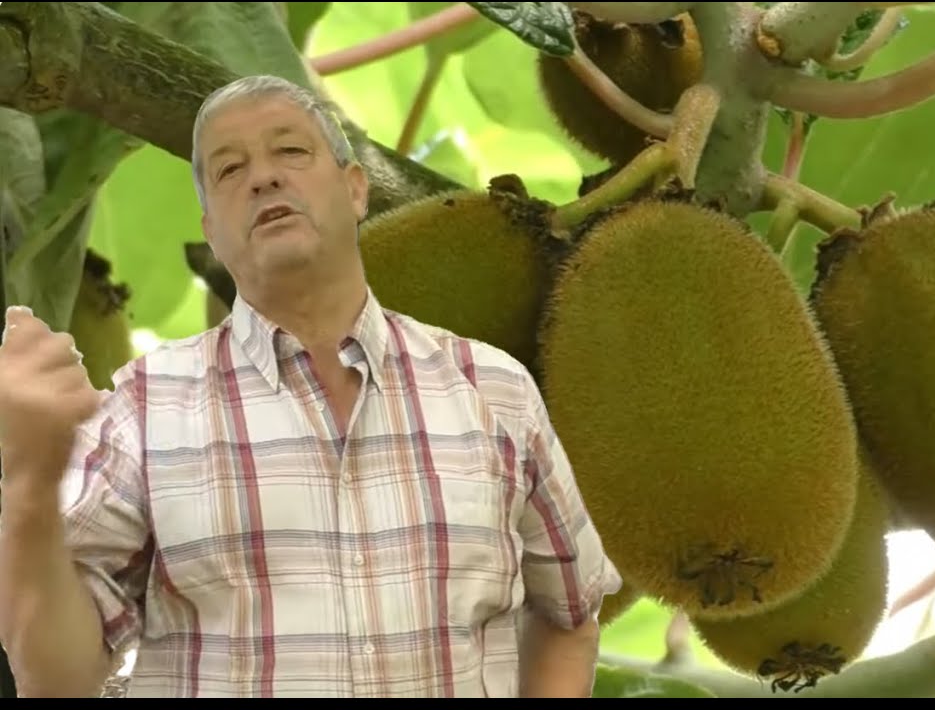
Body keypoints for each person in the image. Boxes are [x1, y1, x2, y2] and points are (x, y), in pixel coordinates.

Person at [0, 74, 622, 698]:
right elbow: (57, 678)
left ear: (357, 189)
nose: (264, 177)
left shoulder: (495, 388)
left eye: (292, 151)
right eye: (229, 169)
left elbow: (569, 616)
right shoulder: (145, 406)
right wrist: (30, 479)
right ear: (211, 231)